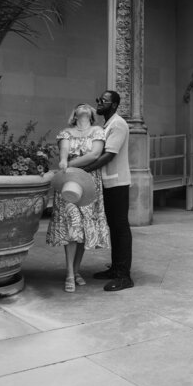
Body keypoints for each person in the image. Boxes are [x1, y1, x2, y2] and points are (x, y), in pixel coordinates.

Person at [46, 103, 110, 292]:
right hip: (70, 182)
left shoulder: (98, 131)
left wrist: (72, 163)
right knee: (71, 227)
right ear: (74, 114)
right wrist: (64, 162)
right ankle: (70, 274)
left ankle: (76, 270)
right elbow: (64, 152)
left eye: (86, 106)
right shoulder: (66, 132)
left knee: (83, 229)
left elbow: (95, 154)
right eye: (79, 106)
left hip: (89, 182)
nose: (83, 106)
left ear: (91, 114)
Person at [85, 90, 134, 292]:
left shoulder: (118, 124)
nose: (99, 102)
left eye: (103, 101)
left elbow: (108, 156)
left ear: (113, 105)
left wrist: (83, 169)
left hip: (118, 183)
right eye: (99, 99)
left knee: (120, 228)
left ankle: (124, 276)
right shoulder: (106, 125)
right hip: (108, 183)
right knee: (114, 227)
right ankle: (115, 269)